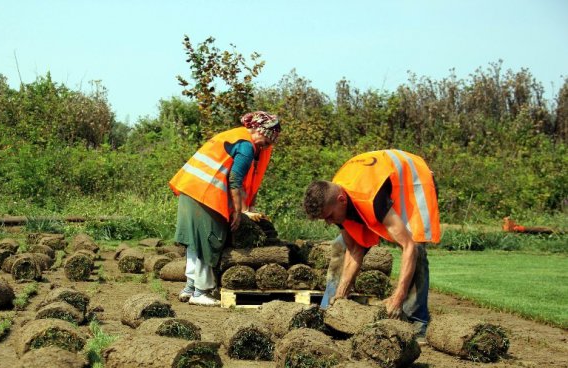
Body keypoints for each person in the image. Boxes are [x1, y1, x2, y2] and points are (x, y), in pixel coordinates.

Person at [302, 149, 440, 333]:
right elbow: (355, 249)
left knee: (415, 247)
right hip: (375, 181)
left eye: (329, 216)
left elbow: (408, 247)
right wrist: (343, 292)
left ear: (341, 200)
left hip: (412, 181)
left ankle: (416, 321)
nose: (328, 222)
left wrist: (397, 297)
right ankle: (330, 308)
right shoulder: (334, 199)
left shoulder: (372, 200)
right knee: (340, 246)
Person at [169, 111, 281, 306]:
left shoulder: (235, 135)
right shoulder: (246, 147)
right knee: (209, 241)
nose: (267, 145)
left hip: (191, 191)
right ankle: (201, 292)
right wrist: (238, 212)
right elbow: (235, 180)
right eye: (267, 139)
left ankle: (190, 288)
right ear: (258, 130)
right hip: (205, 196)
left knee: (195, 243)